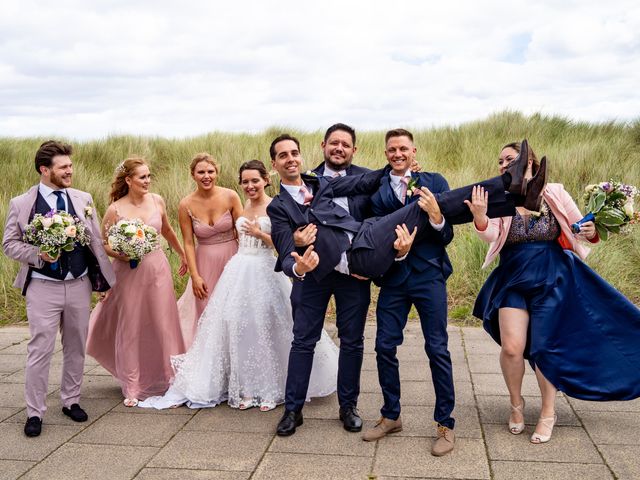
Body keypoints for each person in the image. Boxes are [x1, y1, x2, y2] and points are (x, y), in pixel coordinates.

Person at [267, 133, 530, 436]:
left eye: (294, 153)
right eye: (283, 155)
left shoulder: (320, 182)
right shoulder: (279, 206)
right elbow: (285, 250)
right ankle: (292, 410)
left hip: (364, 253)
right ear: (274, 164)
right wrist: (297, 266)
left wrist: (399, 167)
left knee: (430, 206)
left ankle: (349, 407)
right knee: (305, 340)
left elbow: (367, 182)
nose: (290, 159)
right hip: (326, 270)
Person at [468, 140, 640, 444]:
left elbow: (581, 226)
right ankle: (516, 405)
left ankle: (548, 412)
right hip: (512, 276)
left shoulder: (554, 191)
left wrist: (591, 230)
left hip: (552, 276)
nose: (503, 165)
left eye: (509, 159)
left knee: (544, 347)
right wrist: (481, 217)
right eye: (500, 161)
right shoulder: (498, 196)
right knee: (512, 347)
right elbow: (492, 234)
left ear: (530, 162)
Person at [138, 160, 338, 411]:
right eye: (245, 181)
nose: (250, 185)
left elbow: (283, 247)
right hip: (238, 269)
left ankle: (269, 391)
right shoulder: (241, 204)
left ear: (266, 179)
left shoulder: (276, 205)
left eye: (255, 180)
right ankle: (245, 389)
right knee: (239, 328)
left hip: (265, 270)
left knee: (268, 327)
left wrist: (261, 234)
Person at [2, 140, 115, 437]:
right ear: (44, 169)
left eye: (70, 166)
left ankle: (71, 400)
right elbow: (9, 244)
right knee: (40, 349)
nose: (70, 171)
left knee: (77, 346)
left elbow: (95, 242)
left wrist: (104, 280)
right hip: (43, 286)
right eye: (63, 167)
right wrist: (37, 254)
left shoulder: (83, 198)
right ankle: (34, 412)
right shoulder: (21, 203)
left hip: (79, 283)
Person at [363, 129, 456, 456]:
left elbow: (446, 236)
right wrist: (398, 251)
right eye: (392, 149)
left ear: (413, 151)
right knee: (384, 345)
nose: (397, 153)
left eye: (403, 148)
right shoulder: (377, 193)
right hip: (395, 277)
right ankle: (391, 415)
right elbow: (374, 236)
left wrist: (436, 216)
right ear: (386, 152)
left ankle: (445, 424)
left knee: (438, 349)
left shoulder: (436, 182)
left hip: (429, 275)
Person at [86, 157, 188, 407]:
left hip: (156, 269)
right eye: (142, 177)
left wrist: (183, 254)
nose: (147, 181)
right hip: (127, 273)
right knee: (131, 325)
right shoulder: (115, 209)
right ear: (129, 180)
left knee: (162, 322)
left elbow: (168, 231)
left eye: (149, 176)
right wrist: (121, 252)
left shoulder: (157, 200)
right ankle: (132, 385)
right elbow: (104, 243)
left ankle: (169, 379)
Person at [175, 153, 242, 348]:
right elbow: (188, 242)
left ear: (217, 173)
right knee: (206, 310)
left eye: (210, 171)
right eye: (201, 172)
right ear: (193, 175)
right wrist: (195, 276)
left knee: (232, 310)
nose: (206, 176)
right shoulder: (185, 204)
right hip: (204, 264)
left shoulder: (231, 196)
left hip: (232, 259)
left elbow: (244, 231)